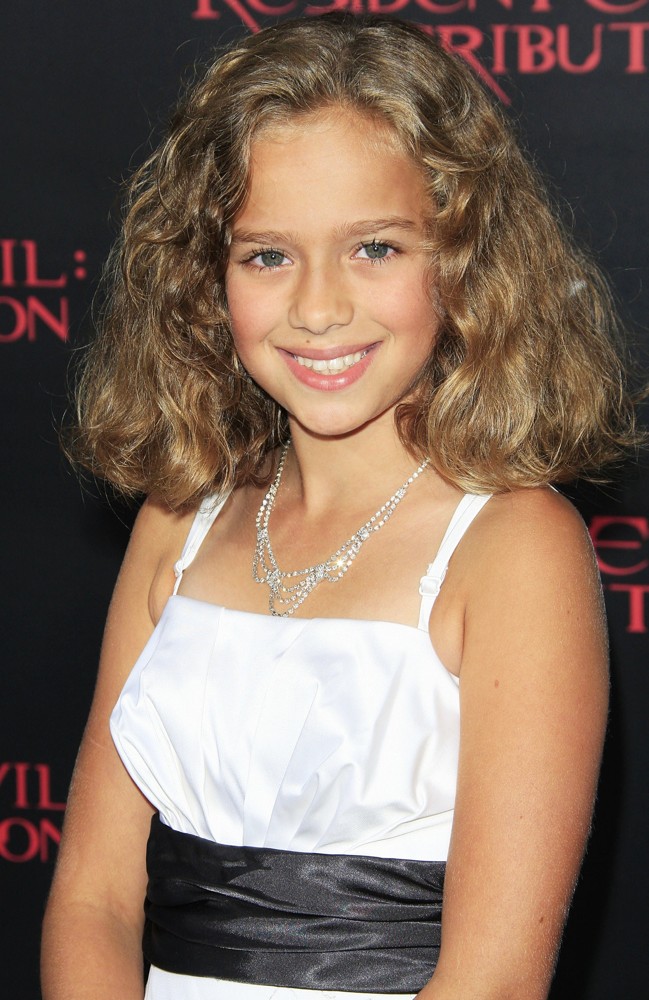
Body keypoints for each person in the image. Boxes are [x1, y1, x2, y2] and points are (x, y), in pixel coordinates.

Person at [41, 12, 639, 1000]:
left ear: (462, 257)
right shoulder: (178, 522)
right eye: (267, 256)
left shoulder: (513, 547)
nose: (318, 309)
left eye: (374, 248)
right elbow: (93, 900)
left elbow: (493, 979)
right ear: (204, 278)